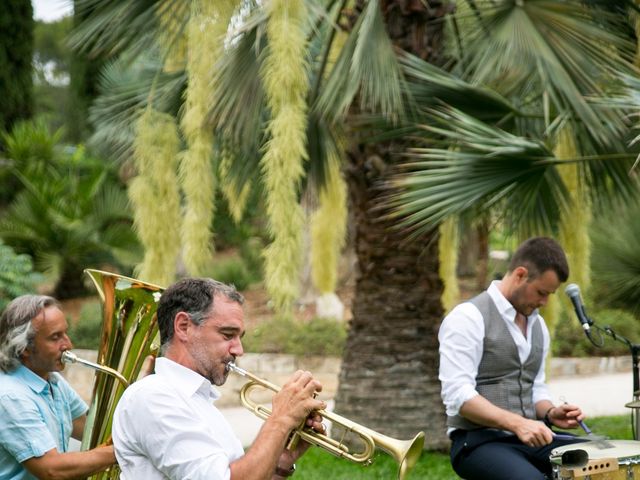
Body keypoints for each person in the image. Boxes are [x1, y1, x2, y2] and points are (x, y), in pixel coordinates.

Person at [112, 277, 326, 480]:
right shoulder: (152, 397)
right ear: (183, 327)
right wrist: (281, 419)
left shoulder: (198, 400)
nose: (239, 350)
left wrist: (281, 460)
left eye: (239, 337)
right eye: (227, 335)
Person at [439, 236, 586, 480]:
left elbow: (535, 387)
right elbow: (458, 396)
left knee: (607, 463)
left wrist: (550, 413)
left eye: (550, 295)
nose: (544, 302)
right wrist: (518, 423)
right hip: (478, 443)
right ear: (519, 275)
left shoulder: (538, 325)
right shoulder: (468, 317)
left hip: (532, 440)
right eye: (541, 292)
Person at [0, 295, 116, 479]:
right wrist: (118, 452)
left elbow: (94, 430)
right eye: (55, 337)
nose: (68, 344)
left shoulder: (53, 380)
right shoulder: (11, 396)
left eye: (65, 333)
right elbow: (51, 469)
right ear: (25, 348)